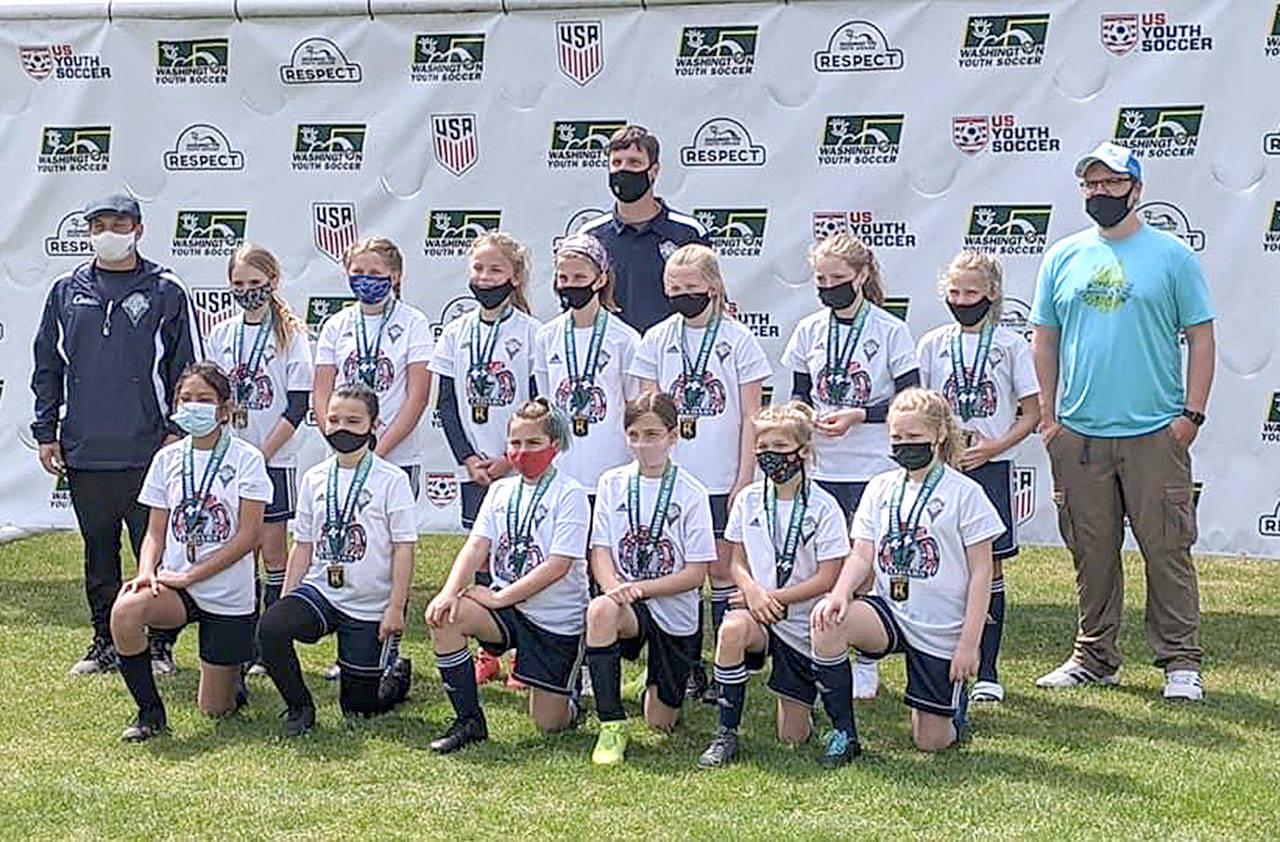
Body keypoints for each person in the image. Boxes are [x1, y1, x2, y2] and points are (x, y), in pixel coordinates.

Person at [1030, 142, 1215, 700]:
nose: (1100, 193)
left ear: (1137, 190)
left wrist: (1191, 415)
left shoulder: (1173, 256)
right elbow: (1045, 337)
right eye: (1092, 184)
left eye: (1112, 184)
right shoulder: (1063, 256)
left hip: (1154, 431)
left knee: (1166, 548)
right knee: (1092, 551)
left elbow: (1202, 337)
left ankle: (1180, 662)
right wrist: (1049, 417)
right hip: (1080, 434)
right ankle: (1095, 655)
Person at [31, 192, 200, 676]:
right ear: (89, 232)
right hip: (86, 450)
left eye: (119, 223)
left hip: (149, 451)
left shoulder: (165, 289)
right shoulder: (66, 289)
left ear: (139, 230)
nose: (109, 232)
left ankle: (160, 644)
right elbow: (48, 365)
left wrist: (176, 430)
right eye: (99, 224)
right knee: (98, 553)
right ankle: (105, 641)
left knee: (157, 553)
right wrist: (47, 431)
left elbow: (186, 369)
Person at [811, 388, 1003, 752]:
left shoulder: (966, 493)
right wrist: (839, 593)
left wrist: (968, 644)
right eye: (897, 437)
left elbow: (983, 575)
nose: (904, 445)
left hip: (941, 627)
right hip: (890, 611)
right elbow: (862, 554)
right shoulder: (880, 486)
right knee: (828, 622)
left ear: (940, 435)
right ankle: (843, 734)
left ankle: (952, 714)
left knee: (930, 743)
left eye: (914, 437)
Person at [629, 244, 772, 702]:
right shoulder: (656, 339)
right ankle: (689, 667)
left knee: (724, 572)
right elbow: (648, 411)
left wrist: (743, 477)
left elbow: (753, 414)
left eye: (691, 288)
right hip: (674, 478)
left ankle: (729, 660)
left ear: (713, 287)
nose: (682, 295)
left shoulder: (738, 339)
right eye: (674, 289)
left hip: (723, 476)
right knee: (682, 572)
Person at [781, 232, 920, 700]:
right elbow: (799, 393)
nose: (828, 287)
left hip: (872, 464)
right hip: (821, 466)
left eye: (838, 278)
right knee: (827, 562)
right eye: (821, 279)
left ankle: (865, 659)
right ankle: (824, 651)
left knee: (869, 563)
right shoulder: (808, 330)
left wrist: (861, 415)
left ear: (862, 275)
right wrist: (804, 415)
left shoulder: (889, 329)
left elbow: (909, 400)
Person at [109, 362, 272, 741]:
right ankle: (150, 713)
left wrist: (190, 575)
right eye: (187, 399)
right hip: (175, 587)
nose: (194, 406)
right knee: (125, 611)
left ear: (224, 409)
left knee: (216, 709)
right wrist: (147, 570)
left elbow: (249, 537)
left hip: (228, 594)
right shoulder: (167, 459)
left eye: (205, 399)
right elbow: (155, 530)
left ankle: (233, 675)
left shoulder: (247, 459)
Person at [424, 399, 590, 753]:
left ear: (555, 446)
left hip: (554, 620)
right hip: (509, 610)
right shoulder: (500, 490)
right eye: (515, 443)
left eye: (533, 443)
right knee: (445, 617)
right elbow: (475, 546)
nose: (522, 452)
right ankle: (468, 720)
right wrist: (448, 591)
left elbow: (558, 566)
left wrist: (499, 597)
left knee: (549, 725)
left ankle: (571, 697)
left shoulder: (571, 493)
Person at [697, 402, 854, 769]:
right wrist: (752, 591)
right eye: (762, 449)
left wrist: (772, 597)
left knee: (792, 737)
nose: (770, 457)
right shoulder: (749, 499)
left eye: (780, 449)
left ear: (803, 451)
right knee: (731, 629)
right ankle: (725, 733)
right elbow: (736, 561)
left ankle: (810, 706)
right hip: (760, 615)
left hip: (802, 622)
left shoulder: (823, 505)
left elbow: (828, 576)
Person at [257, 383, 417, 735]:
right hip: (322, 593)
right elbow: (303, 545)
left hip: (369, 605)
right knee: (271, 627)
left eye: (353, 421)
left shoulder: (392, 480)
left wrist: (395, 607)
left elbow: (404, 548)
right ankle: (299, 709)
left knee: (358, 709)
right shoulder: (315, 477)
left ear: (374, 425)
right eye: (334, 420)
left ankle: (397, 676)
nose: (342, 429)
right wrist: (287, 597)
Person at [917, 250, 1040, 703]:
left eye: (971, 292)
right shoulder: (932, 343)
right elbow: (922, 410)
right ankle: (938, 656)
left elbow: (1032, 412)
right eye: (954, 292)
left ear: (992, 294)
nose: (962, 299)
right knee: (944, 563)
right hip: (943, 470)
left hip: (990, 468)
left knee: (989, 569)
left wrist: (994, 446)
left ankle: (988, 670)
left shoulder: (1010, 345)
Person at [314, 235, 432, 684]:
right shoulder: (336, 325)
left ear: (396, 277)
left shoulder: (414, 323)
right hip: (345, 452)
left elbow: (417, 395)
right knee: (349, 544)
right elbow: (323, 387)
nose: (365, 282)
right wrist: (337, 435)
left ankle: (390, 640)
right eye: (357, 273)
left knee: (388, 549)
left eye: (375, 275)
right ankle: (352, 642)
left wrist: (375, 452)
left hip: (395, 455)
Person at [431, 232, 541, 687]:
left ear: (513, 277)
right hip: (475, 470)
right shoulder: (456, 332)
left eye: (495, 270)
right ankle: (489, 650)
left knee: (522, 555)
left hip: (519, 467)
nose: (485, 277)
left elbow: (538, 405)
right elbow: (447, 405)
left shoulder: (532, 333)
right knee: (483, 556)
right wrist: (469, 460)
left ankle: (525, 654)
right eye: (478, 269)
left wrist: (510, 460)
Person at [585, 392, 716, 765]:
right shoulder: (611, 483)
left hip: (673, 610)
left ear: (673, 436)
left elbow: (696, 574)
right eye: (635, 435)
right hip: (628, 605)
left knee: (660, 722)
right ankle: (611, 723)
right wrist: (613, 589)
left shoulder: (692, 492)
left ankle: (655, 677)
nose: (643, 444)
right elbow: (601, 552)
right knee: (599, 611)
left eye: (653, 434)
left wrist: (639, 588)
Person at [205, 243, 313, 673]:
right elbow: (213, 394)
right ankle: (241, 639)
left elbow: (299, 404)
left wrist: (262, 453)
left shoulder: (291, 334)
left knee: (272, 551)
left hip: (274, 459)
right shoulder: (223, 333)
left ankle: (271, 643)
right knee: (236, 548)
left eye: (255, 283)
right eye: (239, 284)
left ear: (273, 282)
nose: (248, 291)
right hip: (230, 460)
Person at [534, 232, 641, 491]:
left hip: (612, 469)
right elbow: (547, 403)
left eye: (580, 277)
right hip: (562, 471)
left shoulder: (625, 339)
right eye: (563, 278)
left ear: (600, 279)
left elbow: (634, 406)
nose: (570, 285)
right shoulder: (546, 337)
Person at [579, 125, 710, 333]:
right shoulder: (591, 236)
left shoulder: (689, 233)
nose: (624, 170)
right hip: (608, 357)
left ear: (654, 171)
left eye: (634, 163)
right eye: (616, 163)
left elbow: (710, 301)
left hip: (671, 354)